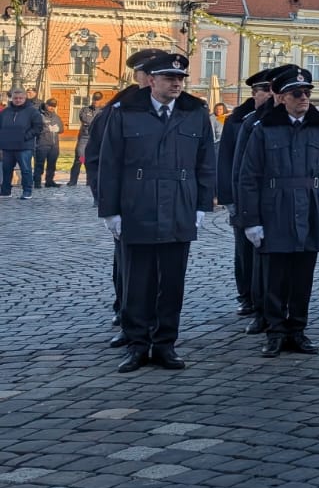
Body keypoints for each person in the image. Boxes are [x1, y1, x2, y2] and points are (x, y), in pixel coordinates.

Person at [95, 52, 216, 371]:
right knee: (137, 280)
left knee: (172, 281)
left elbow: (206, 162)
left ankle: (165, 344)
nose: (176, 83)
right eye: (169, 78)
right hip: (138, 203)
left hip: (179, 202)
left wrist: (202, 205)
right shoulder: (126, 111)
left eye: (180, 79)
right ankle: (137, 344)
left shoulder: (195, 112)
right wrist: (111, 211)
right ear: (151, 81)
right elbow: (109, 164)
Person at [237, 65, 319, 356]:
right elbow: (249, 177)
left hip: (311, 209)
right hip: (274, 210)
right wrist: (251, 222)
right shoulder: (264, 129)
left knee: (302, 276)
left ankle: (297, 329)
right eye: (296, 93)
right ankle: (275, 331)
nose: (303, 98)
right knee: (274, 276)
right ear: (282, 97)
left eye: (307, 92)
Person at [85, 49, 166, 347]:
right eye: (151, 74)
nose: (157, 79)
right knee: (128, 264)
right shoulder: (118, 108)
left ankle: (158, 318)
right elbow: (97, 159)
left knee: (162, 264)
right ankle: (127, 313)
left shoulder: (174, 107)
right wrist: (108, 204)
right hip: (128, 202)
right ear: (140, 76)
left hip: (165, 200)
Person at [218, 69, 279, 318]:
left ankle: (267, 297)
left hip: (270, 197)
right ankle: (246, 296)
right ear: (255, 93)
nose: (269, 95)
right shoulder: (238, 121)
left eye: (272, 90)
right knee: (244, 251)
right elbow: (226, 161)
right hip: (242, 195)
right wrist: (228, 198)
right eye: (265, 91)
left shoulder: (278, 119)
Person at [0, 87, 42, 198]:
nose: (18, 100)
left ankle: (27, 191)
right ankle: (5, 191)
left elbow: (38, 127)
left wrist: (25, 136)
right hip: (7, 146)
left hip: (24, 146)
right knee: (6, 169)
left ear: (25, 98)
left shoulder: (32, 111)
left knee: (26, 170)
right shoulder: (5, 112)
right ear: (12, 98)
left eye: (20, 98)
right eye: (15, 98)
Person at [69, 92, 101, 187]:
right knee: (80, 157)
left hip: (96, 138)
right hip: (84, 137)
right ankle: (73, 181)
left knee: (91, 160)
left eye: (97, 100)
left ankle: (89, 181)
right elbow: (84, 119)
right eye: (94, 99)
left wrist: (92, 123)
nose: (95, 101)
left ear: (100, 100)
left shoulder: (102, 111)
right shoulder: (85, 110)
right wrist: (94, 122)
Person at [36, 99, 62, 187]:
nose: (52, 107)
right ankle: (37, 181)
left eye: (54, 106)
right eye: (50, 105)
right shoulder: (40, 116)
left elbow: (61, 129)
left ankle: (49, 181)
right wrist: (47, 129)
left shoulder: (56, 117)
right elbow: (36, 128)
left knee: (52, 164)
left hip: (54, 144)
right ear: (46, 105)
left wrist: (58, 129)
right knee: (40, 163)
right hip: (42, 143)